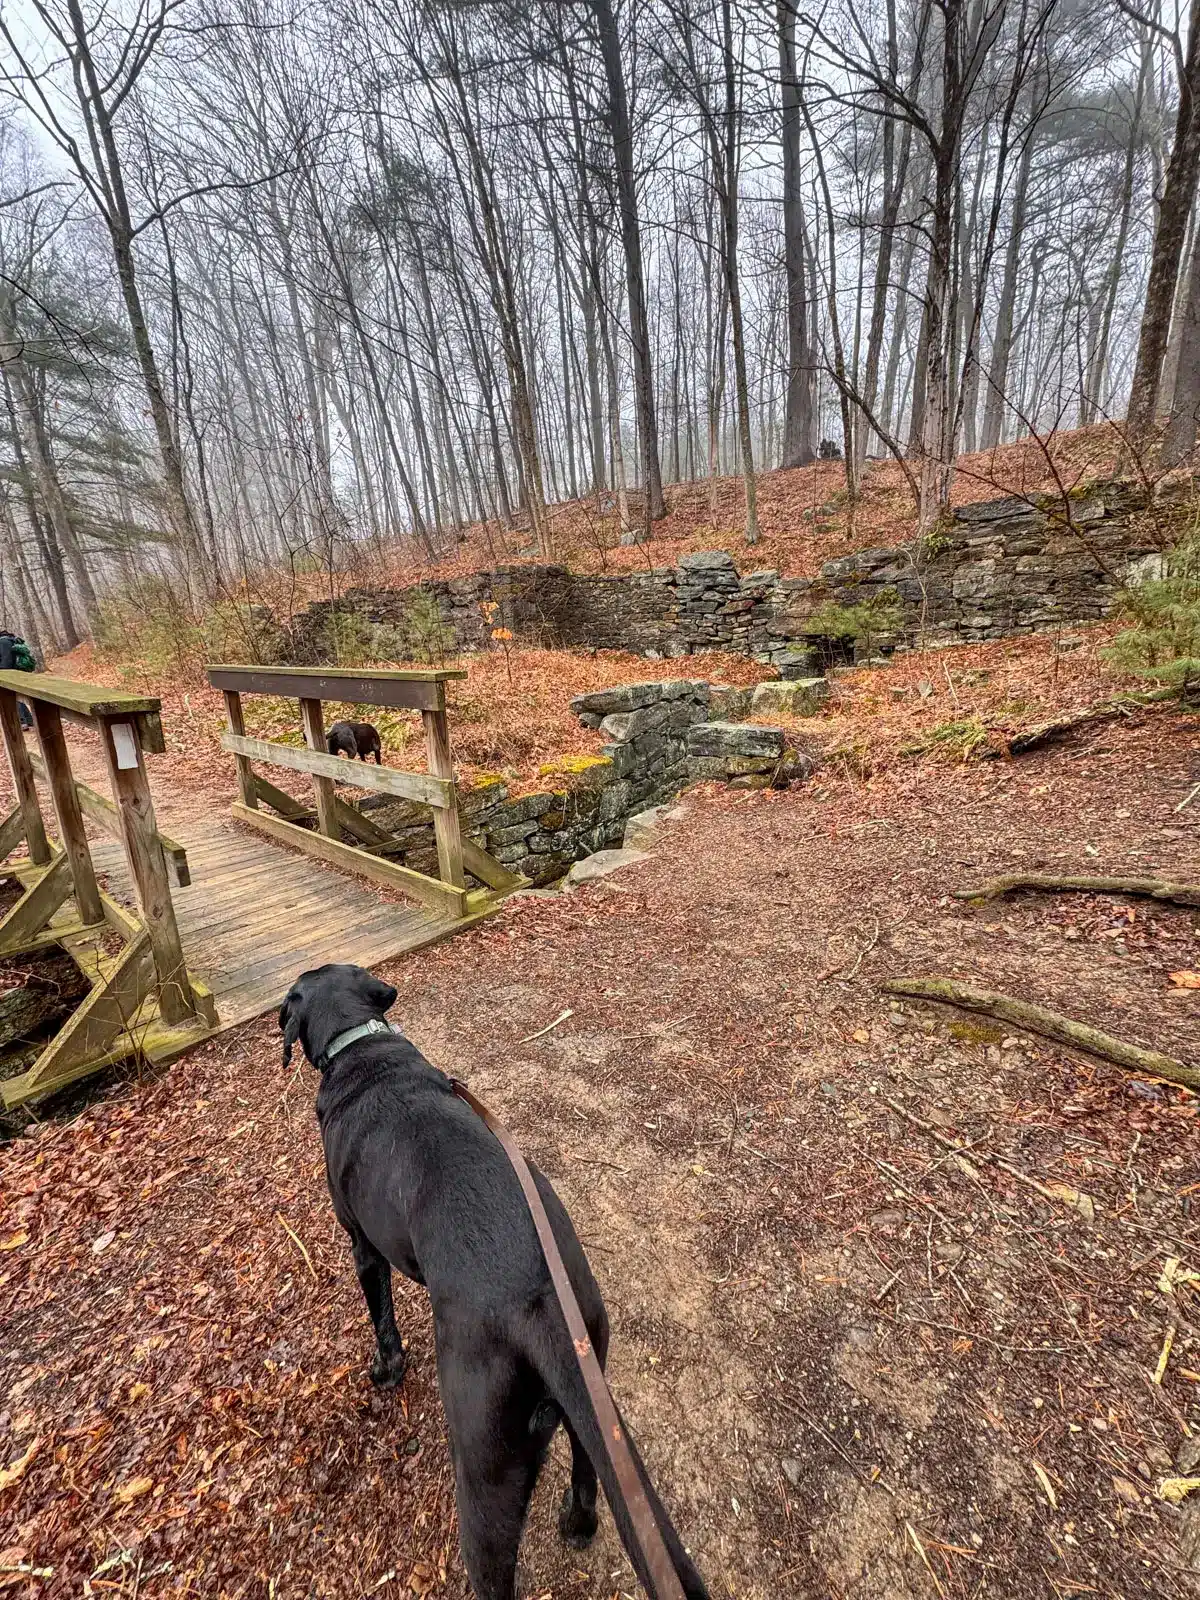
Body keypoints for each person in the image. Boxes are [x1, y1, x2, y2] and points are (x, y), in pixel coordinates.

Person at [0, 629, 36, 729]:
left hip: (11, 673)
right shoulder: (9, 639)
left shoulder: (3, 642)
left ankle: (22, 722)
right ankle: (29, 720)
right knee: (18, 697)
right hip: (16, 672)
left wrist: (2, 671)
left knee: (13, 697)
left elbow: (6, 661)